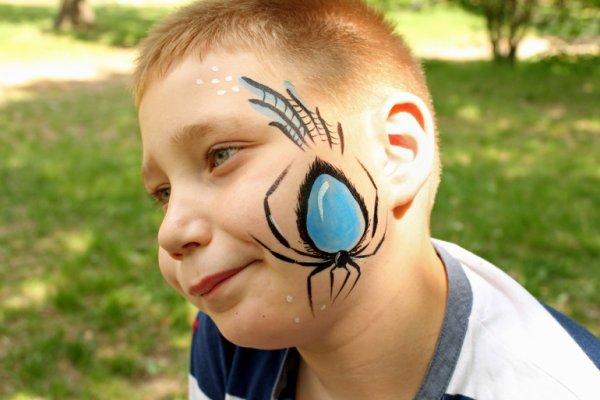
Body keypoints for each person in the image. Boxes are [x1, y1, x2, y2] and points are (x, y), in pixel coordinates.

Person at [132, 0, 600, 398]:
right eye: (163, 193)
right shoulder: (228, 339)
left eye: (222, 155)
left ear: (396, 150)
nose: (170, 232)